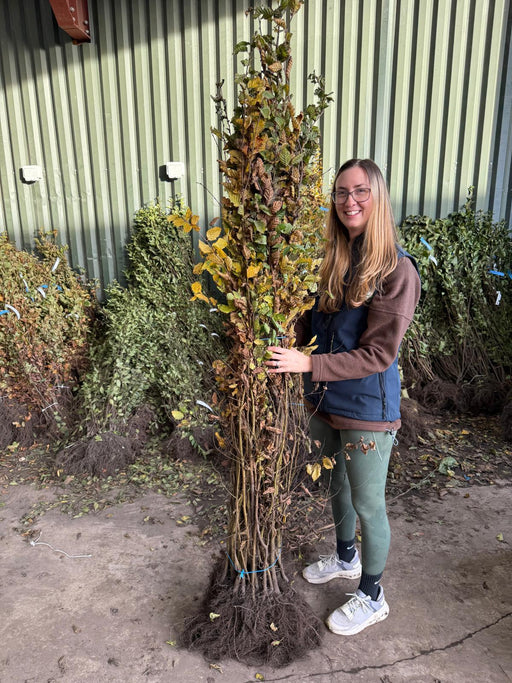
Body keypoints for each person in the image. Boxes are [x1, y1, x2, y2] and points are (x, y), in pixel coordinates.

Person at [266, 158, 421, 636]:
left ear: (378, 198)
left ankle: (372, 595)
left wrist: (308, 365)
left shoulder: (396, 270)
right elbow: (313, 326)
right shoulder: (333, 261)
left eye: (359, 191)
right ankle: (345, 557)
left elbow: (378, 353)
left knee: (368, 502)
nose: (348, 201)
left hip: (367, 408)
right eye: (340, 192)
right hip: (324, 400)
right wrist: (281, 325)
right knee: (336, 485)